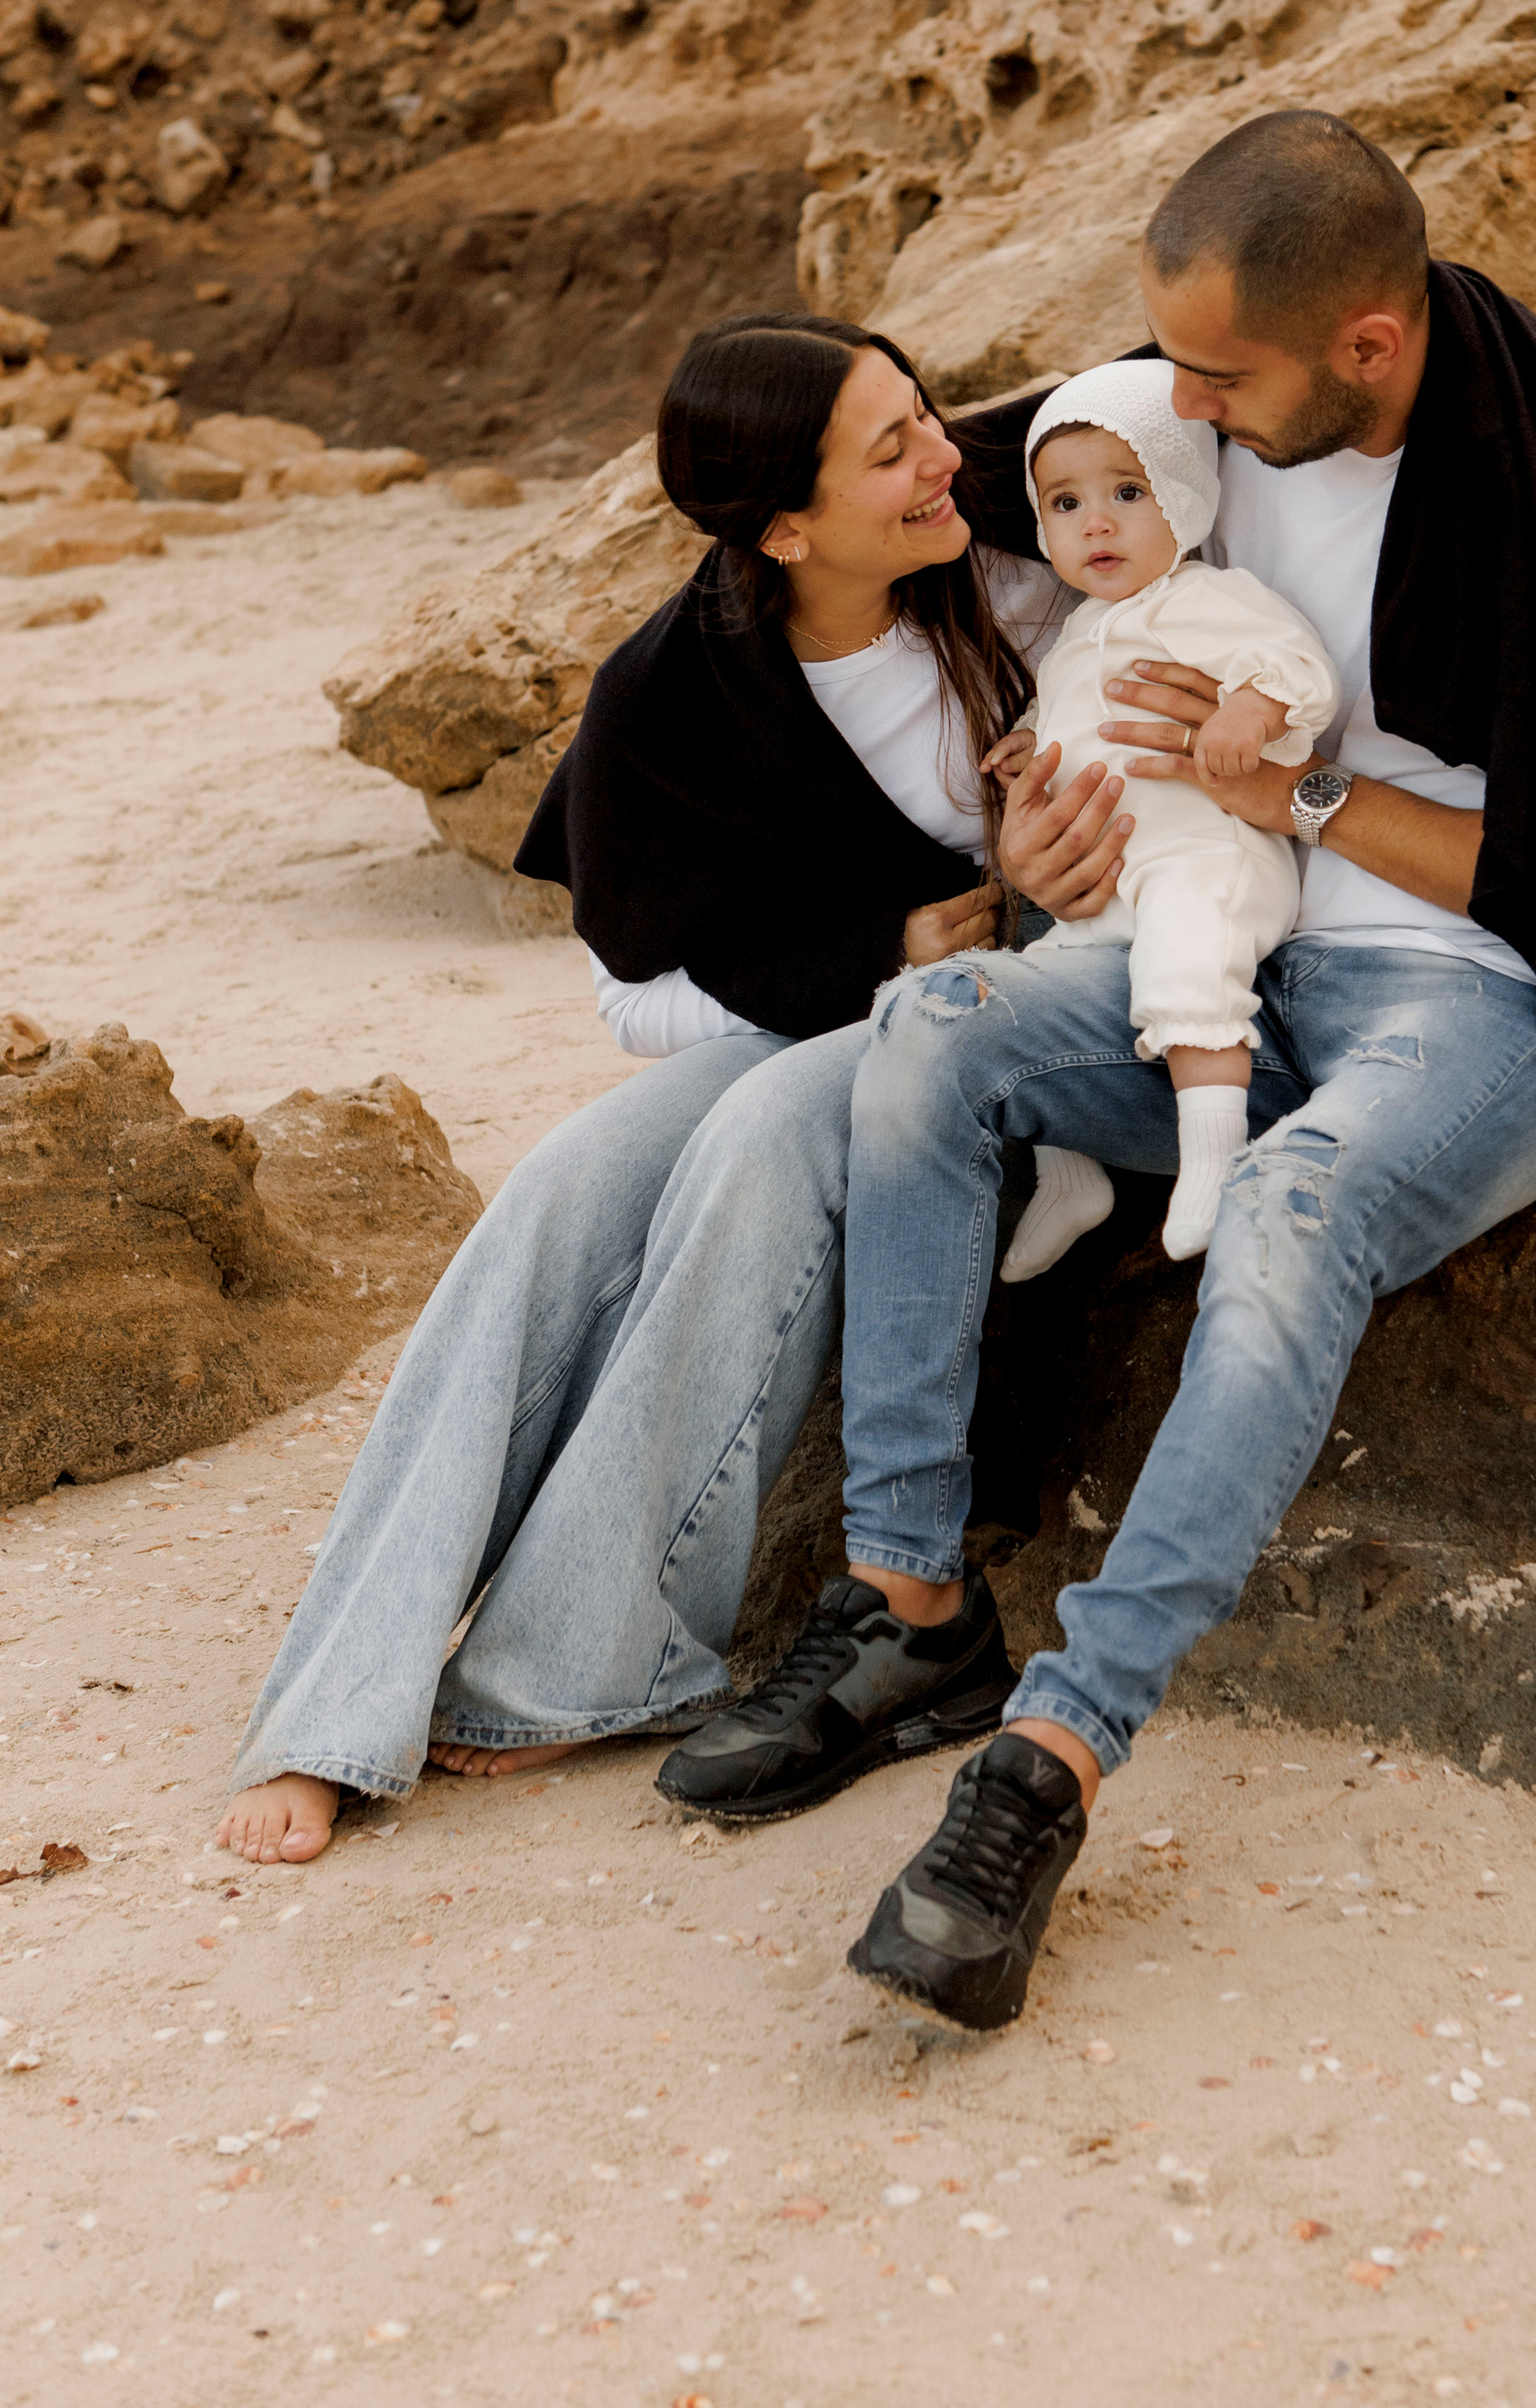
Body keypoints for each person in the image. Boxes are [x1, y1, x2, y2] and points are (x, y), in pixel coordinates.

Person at [664, 107, 1536, 2031]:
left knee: (1300, 1199)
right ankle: (911, 1610)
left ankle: (1047, 1754)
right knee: (929, 1039)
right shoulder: (1197, 410)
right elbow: (895, 487)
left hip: (1507, 993)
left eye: (1218, 377)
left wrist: (1299, 789)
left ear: (1365, 349)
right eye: (1173, 372)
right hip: (1232, 950)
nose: (1182, 407)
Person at [215, 312, 1063, 1864]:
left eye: (927, 410)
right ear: (785, 528)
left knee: (757, 1139)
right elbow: (633, 995)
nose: (948, 453)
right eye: (895, 448)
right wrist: (873, 956)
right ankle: (331, 1708)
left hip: (1002, 1043)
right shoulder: (680, 698)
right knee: (553, 1193)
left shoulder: (1030, 534)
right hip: (832, 1015)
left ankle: (576, 1662)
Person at [996, 359, 1338, 1275]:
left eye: (1126, 491)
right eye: (1065, 504)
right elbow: (1064, 712)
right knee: (1041, 987)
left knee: (1190, 961)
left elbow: (1296, 664)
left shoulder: (1204, 599)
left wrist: (1250, 713)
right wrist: (1027, 746)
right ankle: (1070, 1177)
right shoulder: (1075, 632)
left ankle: (1213, 1160)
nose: (1095, 521)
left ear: (1183, 501)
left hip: (1205, 854)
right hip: (1112, 874)